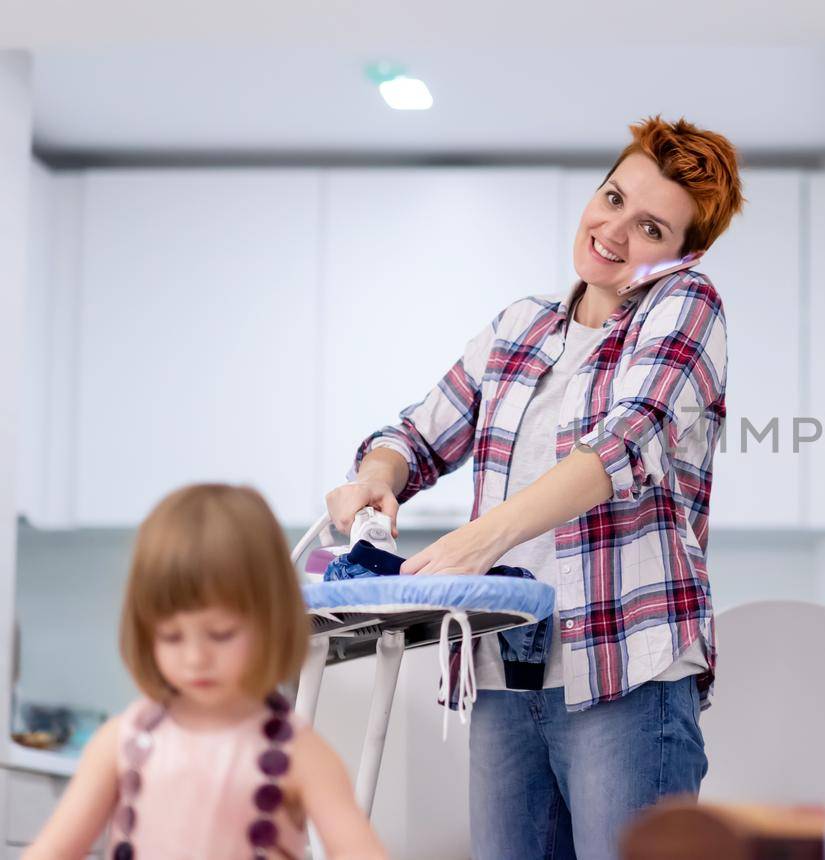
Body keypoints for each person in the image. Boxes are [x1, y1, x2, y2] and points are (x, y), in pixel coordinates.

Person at [323, 115, 742, 859]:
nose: (612, 232)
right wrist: (374, 480)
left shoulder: (687, 307)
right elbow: (415, 437)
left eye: (650, 228)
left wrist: (480, 540)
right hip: (503, 676)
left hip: (624, 675)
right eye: (612, 198)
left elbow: (618, 446)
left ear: (686, 254)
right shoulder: (521, 327)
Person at [25, 484, 385, 860]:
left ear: (271, 623)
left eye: (221, 634)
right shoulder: (119, 745)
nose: (195, 657)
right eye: (171, 636)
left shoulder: (301, 754)